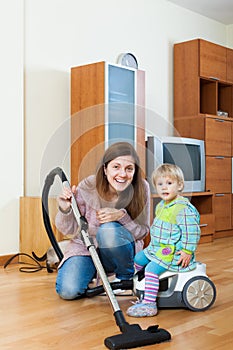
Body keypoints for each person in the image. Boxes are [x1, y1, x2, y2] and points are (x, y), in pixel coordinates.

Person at [55, 142, 150, 300]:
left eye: (129, 169)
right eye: (116, 167)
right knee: (68, 291)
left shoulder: (142, 188)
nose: (123, 174)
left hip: (123, 253)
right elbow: (69, 230)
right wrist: (65, 209)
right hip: (87, 250)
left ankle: (124, 279)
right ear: (105, 169)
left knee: (108, 230)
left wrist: (122, 216)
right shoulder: (89, 186)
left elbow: (143, 232)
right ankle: (93, 272)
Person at [126, 163, 201, 317]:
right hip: (157, 248)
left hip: (172, 252)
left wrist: (187, 251)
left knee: (151, 269)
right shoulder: (161, 205)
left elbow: (192, 232)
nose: (164, 188)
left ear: (179, 185)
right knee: (138, 258)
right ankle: (142, 286)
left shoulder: (183, 209)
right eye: (160, 184)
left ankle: (149, 304)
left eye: (169, 183)